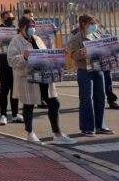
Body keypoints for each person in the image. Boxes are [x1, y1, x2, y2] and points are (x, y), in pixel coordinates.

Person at [7, 16, 76, 145]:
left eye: (34, 27)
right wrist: (24, 57)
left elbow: (46, 54)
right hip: (28, 78)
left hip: (44, 77)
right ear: (22, 28)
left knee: (54, 103)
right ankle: (30, 133)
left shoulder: (38, 39)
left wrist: (59, 57)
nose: (32, 29)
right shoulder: (16, 41)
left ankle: (57, 134)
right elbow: (11, 61)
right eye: (30, 27)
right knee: (29, 104)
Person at [68, 14, 114, 137]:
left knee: (100, 96)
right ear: (84, 24)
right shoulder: (76, 38)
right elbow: (73, 56)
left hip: (98, 70)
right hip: (84, 71)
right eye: (92, 23)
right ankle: (87, 127)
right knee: (86, 98)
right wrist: (81, 53)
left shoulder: (96, 35)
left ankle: (100, 126)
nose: (95, 25)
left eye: (95, 23)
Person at [0, 11, 23, 125]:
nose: (10, 20)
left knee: (15, 90)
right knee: (4, 90)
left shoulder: (17, 31)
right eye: (7, 18)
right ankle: (3, 114)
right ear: (2, 19)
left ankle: (14, 114)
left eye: (12, 18)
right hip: (3, 64)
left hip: (16, 63)